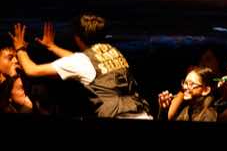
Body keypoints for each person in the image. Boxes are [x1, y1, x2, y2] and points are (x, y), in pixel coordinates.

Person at [9, 17, 151, 118]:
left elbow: (31, 70)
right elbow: (80, 60)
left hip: (118, 115)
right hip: (142, 113)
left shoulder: (82, 61)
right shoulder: (112, 51)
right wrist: (52, 47)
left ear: (77, 38)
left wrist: (20, 48)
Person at [0, 45, 33, 114]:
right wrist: (12, 78)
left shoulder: (21, 76)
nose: (16, 61)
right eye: (10, 58)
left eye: (16, 57)